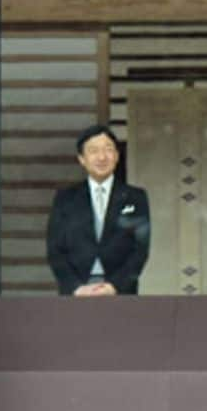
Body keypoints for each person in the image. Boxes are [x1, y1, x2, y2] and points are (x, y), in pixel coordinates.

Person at [45, 125, 150, 296]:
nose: (102, 157)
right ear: (82, 159)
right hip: (76, 292)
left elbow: (140, 250)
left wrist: (115, 286)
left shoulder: (135, 197)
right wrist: (75, 287)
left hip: (121, 292)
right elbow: (55, 250)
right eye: (93, 151)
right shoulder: (65, 199)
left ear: (116, 156)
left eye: (108, 150)